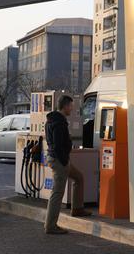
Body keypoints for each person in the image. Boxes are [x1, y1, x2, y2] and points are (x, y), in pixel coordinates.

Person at [44, 95, 90, 235]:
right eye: (70, 106)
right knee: (57, 194)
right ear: (65, 106)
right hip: (60, 161)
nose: (72, 108)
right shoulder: (59, 123)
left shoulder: (52, 120)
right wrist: (64, 160)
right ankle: (50, 226)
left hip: (58, 159)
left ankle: (77, 208)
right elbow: (58, 146)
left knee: (79, 177)